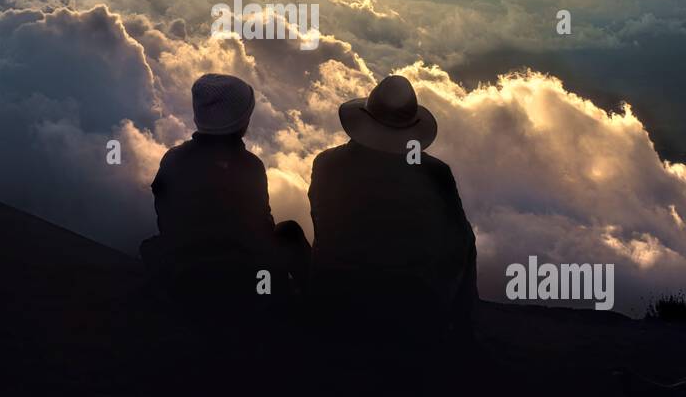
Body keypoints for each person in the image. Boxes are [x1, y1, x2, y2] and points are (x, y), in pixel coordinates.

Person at [308, 75, 477, 340]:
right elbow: (457, 239)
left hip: (340, 296)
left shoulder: (327, 164)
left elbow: (323, 226)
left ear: (364, 119)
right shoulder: (436, 173)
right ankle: (464, 329)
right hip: (414, 303)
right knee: (466, 235)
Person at [142, 73, 308, 306]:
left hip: (183, 276)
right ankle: (311, 304)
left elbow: (164, 216)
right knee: (288, 232)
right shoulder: (250, 167)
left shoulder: (173, 160)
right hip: (242, 281)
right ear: (242, 123)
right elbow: (261, 228)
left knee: (150, 248)